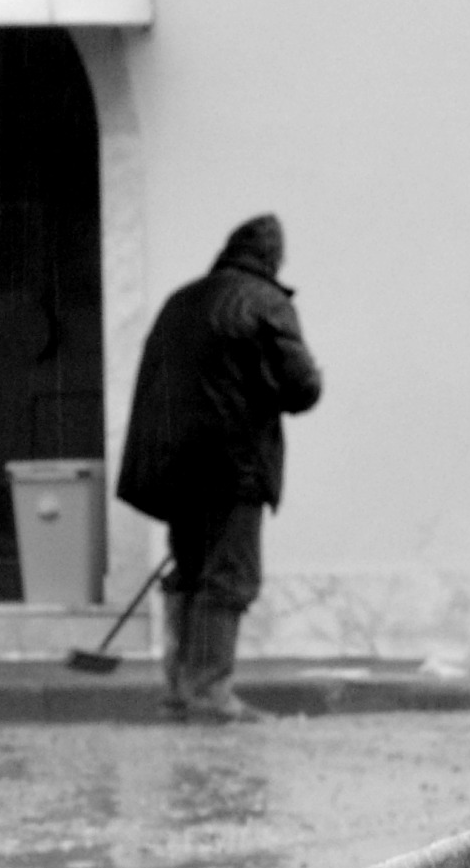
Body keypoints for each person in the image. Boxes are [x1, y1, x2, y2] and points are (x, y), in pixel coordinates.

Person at [118, 213, 322, 721]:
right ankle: (209, 692)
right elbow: (303, 386)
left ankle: (180, 691)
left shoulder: (181, 301)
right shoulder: (265, 300)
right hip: (235, 466)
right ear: (272, 258)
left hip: (176, 469)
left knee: (189, 572)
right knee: (229, 577)